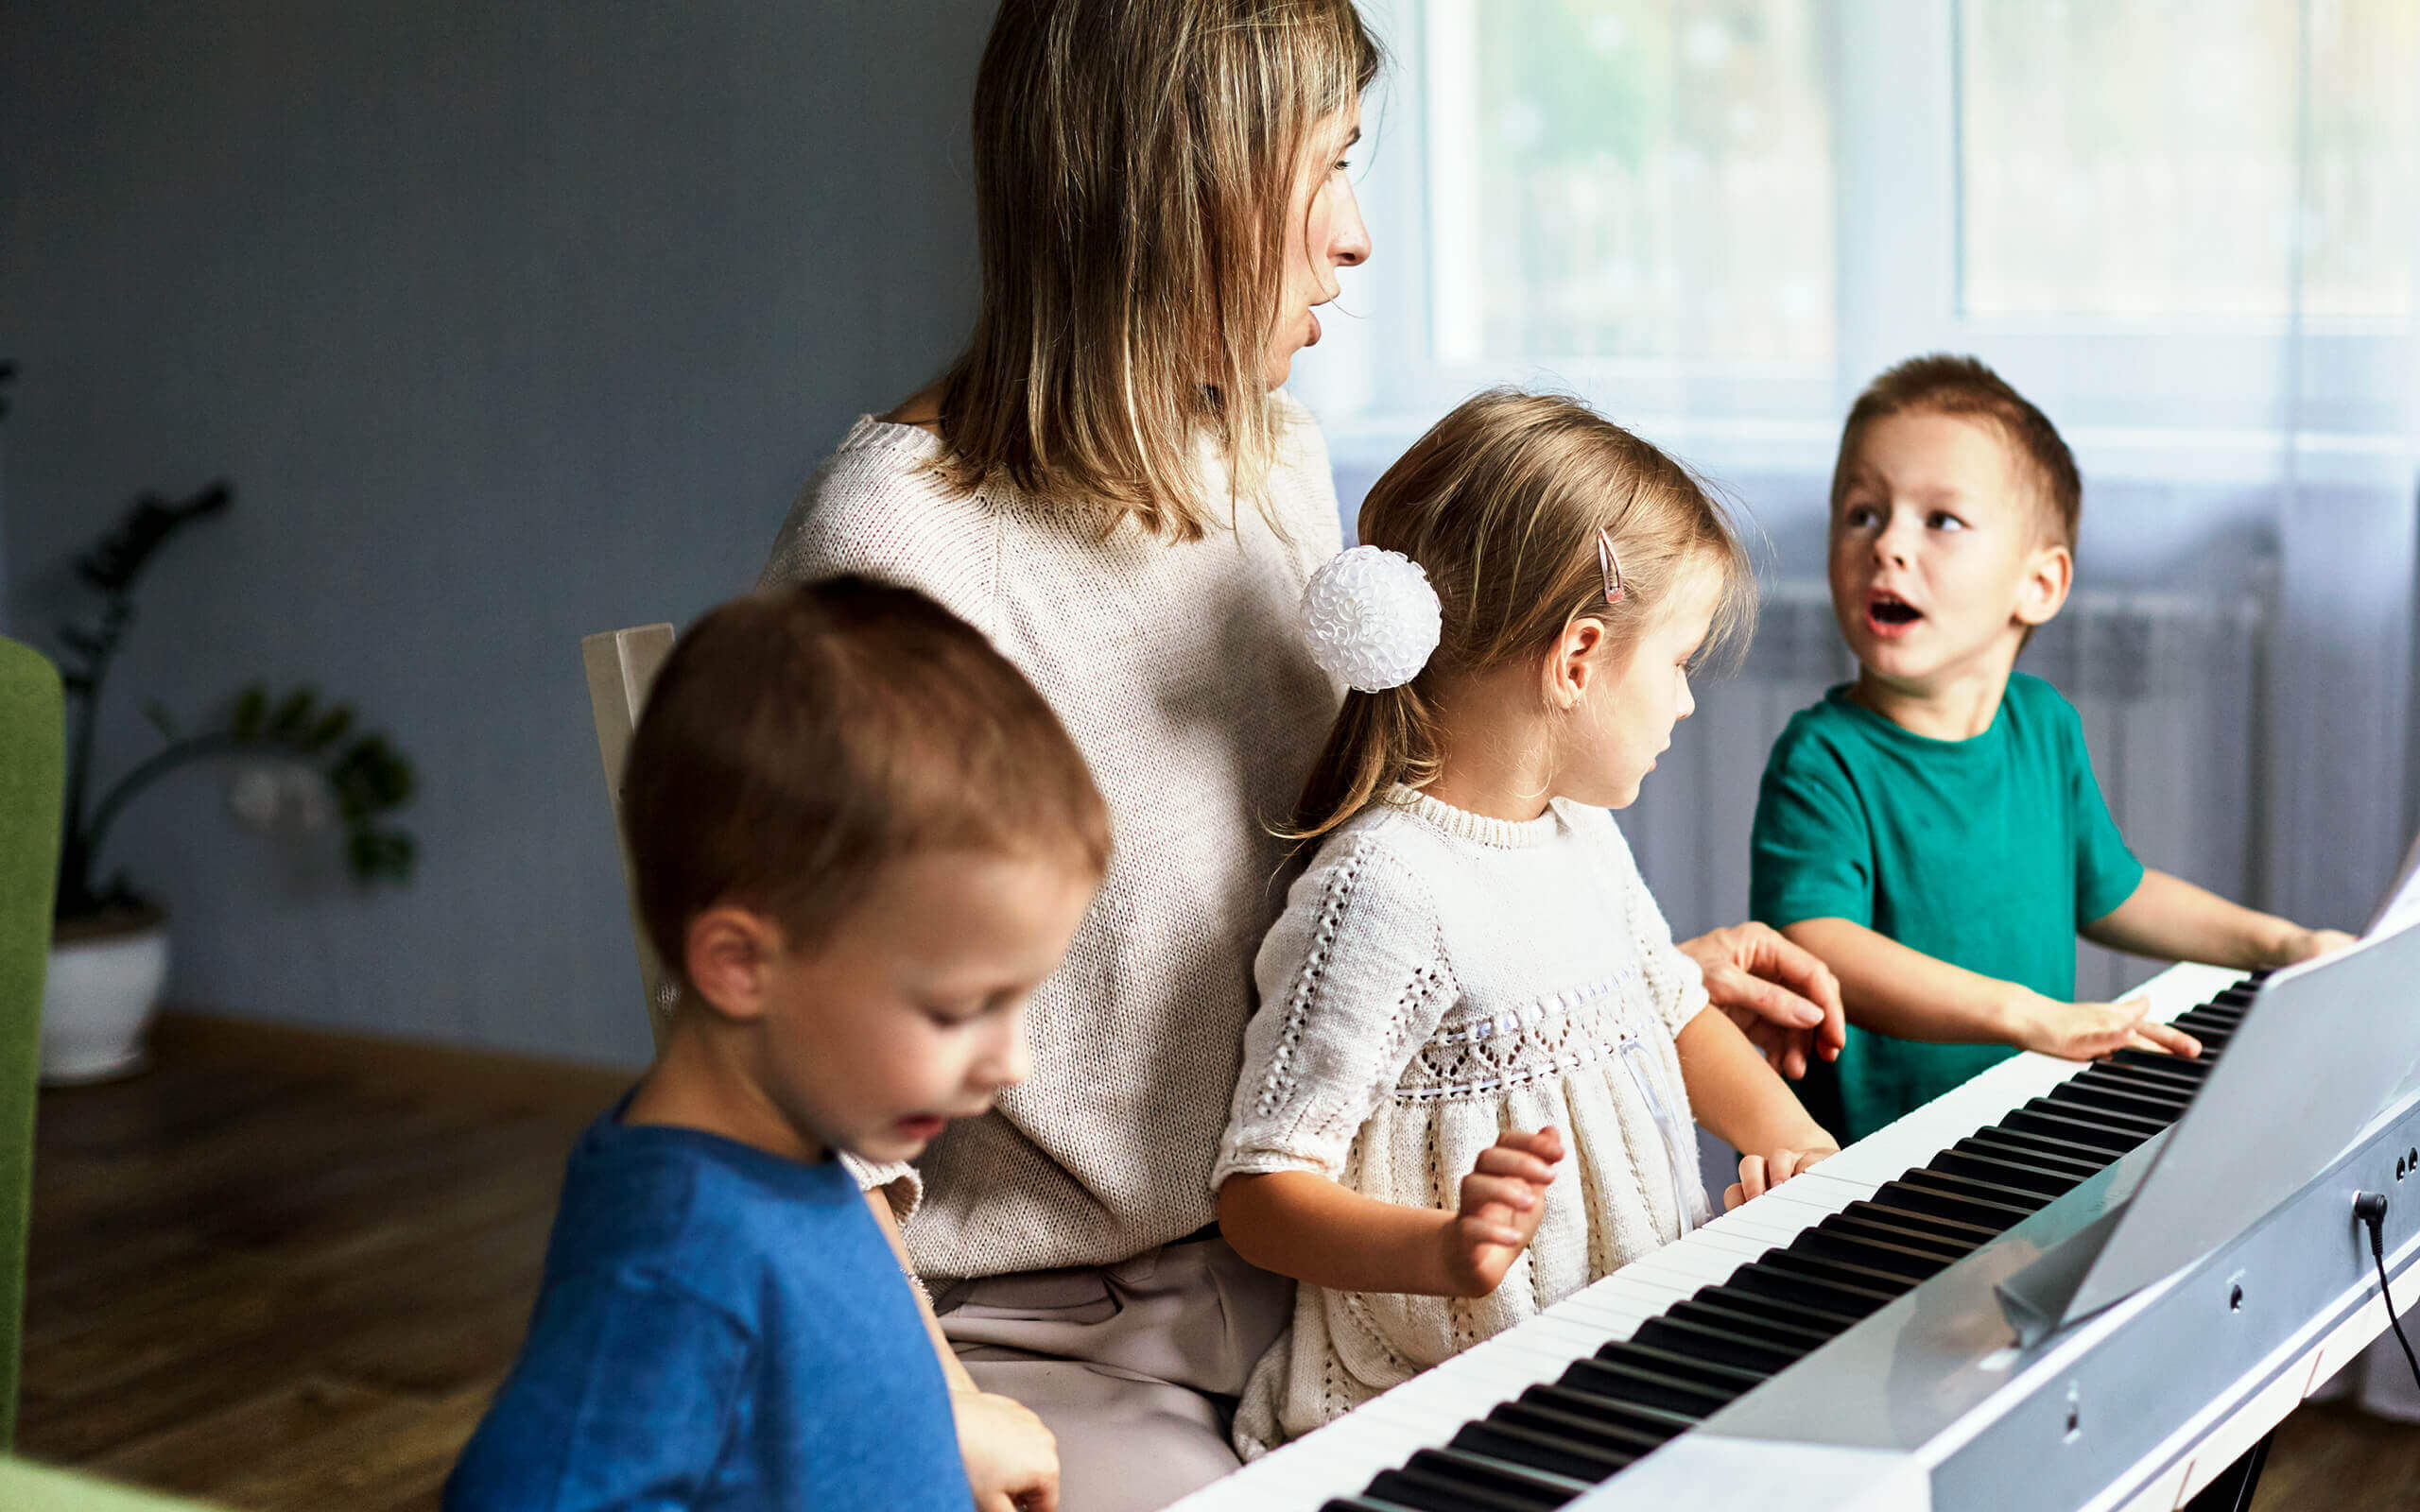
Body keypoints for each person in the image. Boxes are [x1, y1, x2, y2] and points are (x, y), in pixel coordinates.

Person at [764, 4, 1841, 1504]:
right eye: (1325, 168)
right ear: (1175, 181)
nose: (1356, 240)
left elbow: (1352, 870)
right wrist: (940, 1405)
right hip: (1074, 1334)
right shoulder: (899, 551)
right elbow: (802, 1102)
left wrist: (1580, 980)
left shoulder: (1268, 454)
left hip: (1348, 1264)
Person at [1210, 390, 1841, 1453]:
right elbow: (1260, 1189)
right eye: (1679, 664)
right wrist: (1443, 1249)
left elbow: (1675, 1012)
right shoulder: (1384, 887)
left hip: (1610, 1368)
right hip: (1436, 1414)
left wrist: (1801, 1146)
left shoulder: (1579, 834)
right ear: (1578, 657)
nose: (1687, 704)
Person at [445, 579, 1107, 1511]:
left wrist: (933, 1431)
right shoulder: (676, 1259)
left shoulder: (794, 1153)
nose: (1012, 1063)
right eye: (960, 1010)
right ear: (740, 964)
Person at [1749, 353, 2356, 1143]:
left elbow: (2114, 890)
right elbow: (1815, 942)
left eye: (1941, 520)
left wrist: (2280, 944)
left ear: (2040, 584)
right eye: (1862, 512)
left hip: (2014, 1134)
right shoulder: (1822, 759)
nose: (1888, 544)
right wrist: (2029, 1015)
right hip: (1872, 1167)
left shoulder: (2044, 725)